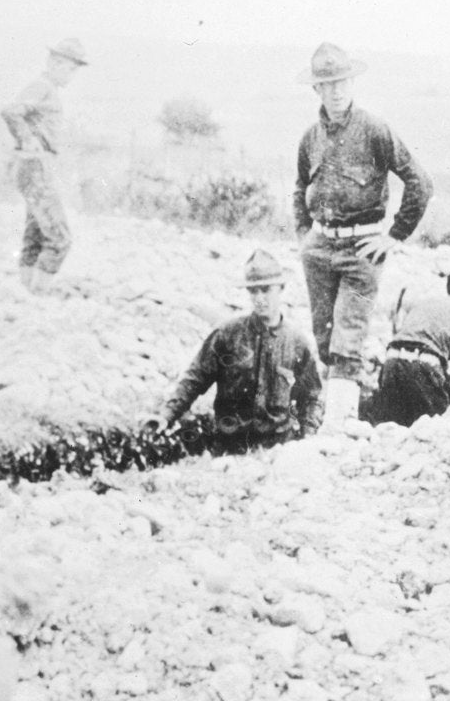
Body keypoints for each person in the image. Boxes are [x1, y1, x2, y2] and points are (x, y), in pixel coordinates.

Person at [292, 43, 434, 420]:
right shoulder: (310, 138)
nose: (337, 90)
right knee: (324, 339)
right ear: (316, 90)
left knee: (347, 339)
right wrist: (305, 236)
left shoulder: (374, 130)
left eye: (342, 82)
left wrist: (394, 235)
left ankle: (338, 431)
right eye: (328, 84)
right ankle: (328, 412)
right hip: (320, 248)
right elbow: (299, 187)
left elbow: (419, 181)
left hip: (362, 250)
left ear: (352, 83)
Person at [144, 250, 324, 447]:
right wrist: (166, 415)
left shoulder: (297, 342)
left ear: (280, 288)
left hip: (277, 449)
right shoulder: (227, 334)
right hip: (230, 448)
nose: (259, 298)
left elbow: (312, 397)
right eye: (253, 291)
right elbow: (195, 378)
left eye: (265, 290)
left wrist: (308, 439)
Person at [2, 38, 89, 293]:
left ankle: (26, 293)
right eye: (69, 68)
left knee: (36, 234)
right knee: (60, 239)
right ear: (54, 63)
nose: (71, 75)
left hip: (33, 167)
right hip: (36, 167)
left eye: (74, 70)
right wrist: (27, 139)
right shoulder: (42, 87)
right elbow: (11, 111)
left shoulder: (45, 89)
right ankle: (37, 297)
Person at [373, 268, 450, 427]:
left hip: (391, 365)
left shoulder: (425, 303)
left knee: (389, 428)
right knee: (434, 430)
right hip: (423, 369)